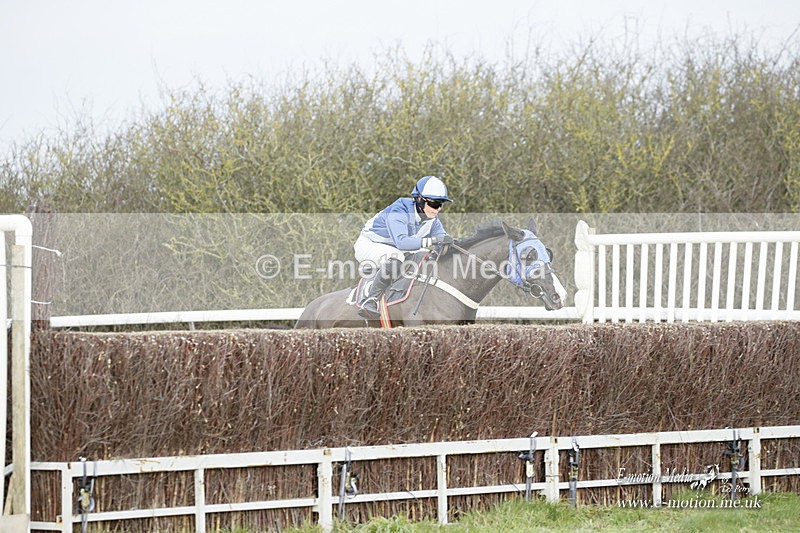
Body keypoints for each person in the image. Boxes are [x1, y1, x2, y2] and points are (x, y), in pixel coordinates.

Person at [354, 175, 454, 318]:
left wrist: (448, 244)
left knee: (424, 254)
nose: (437, 209)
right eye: (434, 204)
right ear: (419, 199)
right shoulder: (399, 210)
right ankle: (370, 300)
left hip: (396, 248)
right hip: (370, 244)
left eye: (440, 204)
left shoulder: (433, 220)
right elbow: (402, 242)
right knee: (396, 257)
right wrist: (433, 241)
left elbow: (441, 242)